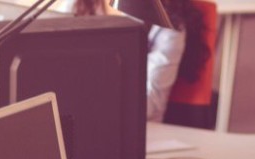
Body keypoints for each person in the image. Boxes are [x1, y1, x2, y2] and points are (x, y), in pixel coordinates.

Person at [68, 0, 210, 123]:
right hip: (83, 118)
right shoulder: (82, 7)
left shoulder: (168, 27)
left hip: (141, 128)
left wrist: (95, 104)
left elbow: (151, 103)